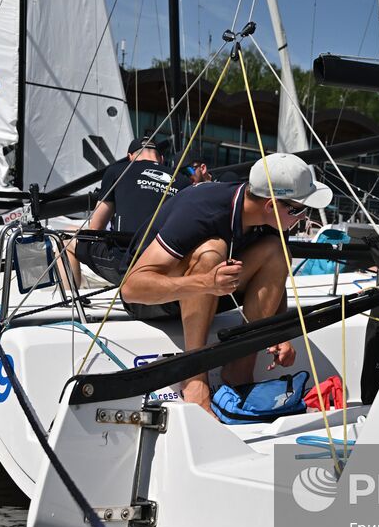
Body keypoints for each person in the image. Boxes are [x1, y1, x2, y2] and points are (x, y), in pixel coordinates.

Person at [120, 153, 334, 413]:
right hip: (153, 298)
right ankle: (195, 377)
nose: (303, 217)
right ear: (271, 205)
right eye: (299, 210)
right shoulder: (202, 209)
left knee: (277, 251)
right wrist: (204, 283)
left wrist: (280, 333)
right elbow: (131, 289)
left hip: (212, 288)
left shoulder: (274, 221)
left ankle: (239, 371)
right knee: (213, 250)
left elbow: (276, 275)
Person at [64, 138, 186, 288]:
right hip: (168, 266)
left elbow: (95, 229)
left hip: (126, 265)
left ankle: (70, 301)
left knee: (65, 237)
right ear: (161, 159)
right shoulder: (183, 181)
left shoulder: (118, 171)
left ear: (130, 157)